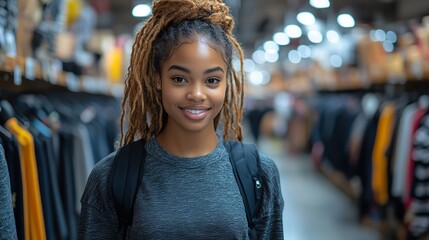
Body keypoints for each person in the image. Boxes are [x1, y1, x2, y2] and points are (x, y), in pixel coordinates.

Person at [78, 0, 284, 239]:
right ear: (157, 79)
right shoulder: (111, 177)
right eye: (179, 79)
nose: (197, 94)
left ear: (227, 81)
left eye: (212, 80)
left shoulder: (258, 175)